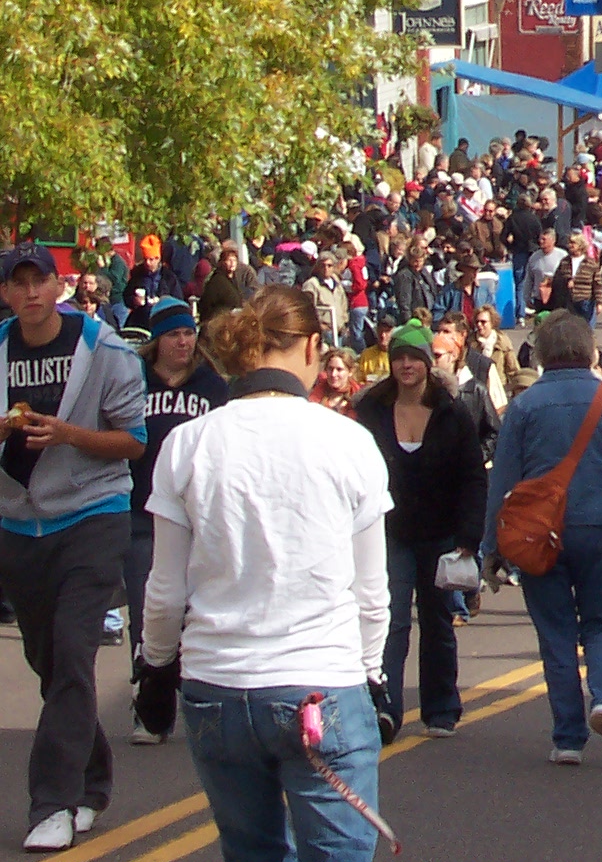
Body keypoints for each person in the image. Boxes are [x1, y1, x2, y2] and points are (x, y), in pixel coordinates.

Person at [137, 285, 391, 862]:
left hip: (216, 688)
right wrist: (373, 675)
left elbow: (165, 591)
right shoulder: (348, 442)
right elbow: (372, 592)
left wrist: (154, 669)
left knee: (249, 851)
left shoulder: (188, 443)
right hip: (317, 680)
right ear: (310, 348)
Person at [0, 244, 147, 852]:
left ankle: (51, 804)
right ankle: (92, 782)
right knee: (50, 663)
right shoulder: (2, 349)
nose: (32, 293)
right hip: (18, 523)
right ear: (7, 294)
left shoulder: (105, 351)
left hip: (93, 514)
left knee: (70, 650)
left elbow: (133, 442)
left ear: (61, 287)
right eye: (19, 284)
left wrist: (67, 435)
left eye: (42, 282)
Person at [481, 313, 602, 764]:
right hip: (599, 526)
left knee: (555, 631)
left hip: (539, 533)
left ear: (540, 354)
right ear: (589, 351)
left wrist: (491, 547)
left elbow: (502, 481)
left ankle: (567, 736)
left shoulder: (523, 406)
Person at [354, 322, 486, 739]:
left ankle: (441, 708)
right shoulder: (370, 409)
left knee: (438, 621)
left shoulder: (452, 413)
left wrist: (468, 537)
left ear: (429, 364)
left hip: (441, 533)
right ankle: (384, 706)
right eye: (399, 358)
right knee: (389, 620)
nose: (406, 365)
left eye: (414, 358)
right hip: (388, 533)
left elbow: (472, 477)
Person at [124, 298, 230, 744]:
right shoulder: (135, 383)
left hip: (198, 514)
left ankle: (198, 701)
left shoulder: (212, 386)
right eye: (174, 334)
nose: (183, 341)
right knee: (147, 606)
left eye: (189, 333)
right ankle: (152, 709)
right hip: (141, 509)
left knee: (194, 610)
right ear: (158, 341)